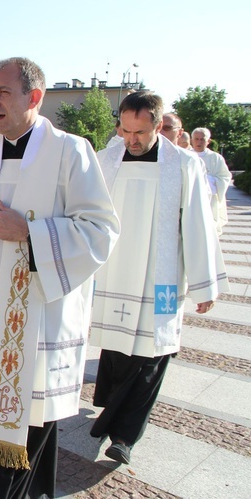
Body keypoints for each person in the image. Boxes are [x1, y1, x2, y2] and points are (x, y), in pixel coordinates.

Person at [0, 57, 119, 498]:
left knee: (31, 417)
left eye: (2, 92)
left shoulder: (71, 151)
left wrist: (31, 233)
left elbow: (101, 229)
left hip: (41, 314)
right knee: (0, 412)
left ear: (35, 97)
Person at [90, 91, 228, 466]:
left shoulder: (183, 164)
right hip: (115, 272)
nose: (131, 140)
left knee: (154, 354)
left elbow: (197, 222)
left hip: (162, 277)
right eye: (125, 130)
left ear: (159, 124)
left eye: (141, 132)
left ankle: (124, 437)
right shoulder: (106, 160)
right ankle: (111, 412)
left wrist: (204, 281)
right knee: (118, 353)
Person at [192, 127, 232, 234]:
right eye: (196, 139)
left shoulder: (216, 158)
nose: (199, 142)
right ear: (192, 140)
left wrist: (208, 180)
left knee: (209, 231)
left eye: (202, 139)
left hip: (210, 202)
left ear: (208, 141)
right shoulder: (185, 156)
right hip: (191, 200)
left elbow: (225, 177)